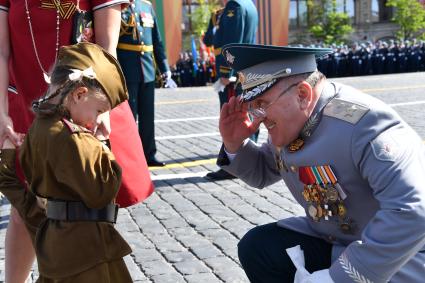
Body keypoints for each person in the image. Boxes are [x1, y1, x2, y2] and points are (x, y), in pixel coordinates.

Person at [216, 43, 425, 283]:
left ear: (302, 94)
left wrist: (337, 278)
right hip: (338, 240)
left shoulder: (365, 125)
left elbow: (414, 212)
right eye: (253, 106)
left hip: (398, 256)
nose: (258, 117)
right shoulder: (296, 118)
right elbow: (262, 172)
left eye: (262, 104)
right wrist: (234, 145)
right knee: (260, 248)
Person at [0, 1, 153, 282]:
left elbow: (107, 48)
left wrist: (102, 109)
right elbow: (1, 51)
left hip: (83, 100)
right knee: (22, 211)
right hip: (26, 99)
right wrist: (0, 110)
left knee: (88, 202)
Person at [203, 0, 258, 181]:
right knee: (245, 115)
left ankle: (232, 167)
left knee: (232, 117)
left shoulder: (234, 5)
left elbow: (233, 42)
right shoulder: (248, 4)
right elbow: (211, 40)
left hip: (233, 73)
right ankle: (249, 161)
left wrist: (227, 72)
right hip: (245, 69)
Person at [117, 0, 177, 167]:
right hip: (127, 70)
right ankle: (130, 158)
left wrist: (164, 68)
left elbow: (156, 40)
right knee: (130, 117)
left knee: (148, 117)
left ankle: (149, 155)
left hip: (148, 71)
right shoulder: (118, 4)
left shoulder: (147, 6)